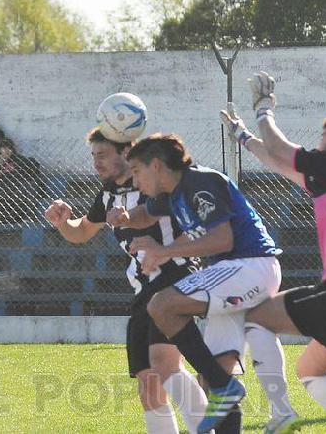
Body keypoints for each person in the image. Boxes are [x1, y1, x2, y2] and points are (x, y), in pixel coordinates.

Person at [218, 72, 326, 434]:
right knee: (310, 371)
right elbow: (280, 164)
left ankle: (281, 412)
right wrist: (243, 137)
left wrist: (264, 109)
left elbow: (283, 149)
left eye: (322, 136)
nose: (317, 143)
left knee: (255, 316)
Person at [106, 133, 286, 434]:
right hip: (235, 276)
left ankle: (223, 385)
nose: (135, 182)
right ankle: (222, 387)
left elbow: (222, 238)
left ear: (157, 165)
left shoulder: (200, 183)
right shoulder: (173, 194)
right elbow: (142, 215)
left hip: (250, 265)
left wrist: (164, 251)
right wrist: (122, 218)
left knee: (161, 305)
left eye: (137, 171)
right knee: (214, 375)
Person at [43, 127, 207, 434]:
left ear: (126, 153)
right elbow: (81, 233)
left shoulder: (152, 184)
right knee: (148, 384)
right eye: (93, 155)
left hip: (175, 277)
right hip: (144, 289)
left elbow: (194, 223)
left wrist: (166, 249)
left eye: (103, 155)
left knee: (166, 365)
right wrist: (63, 221)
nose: (96, 162)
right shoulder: (106, 194)